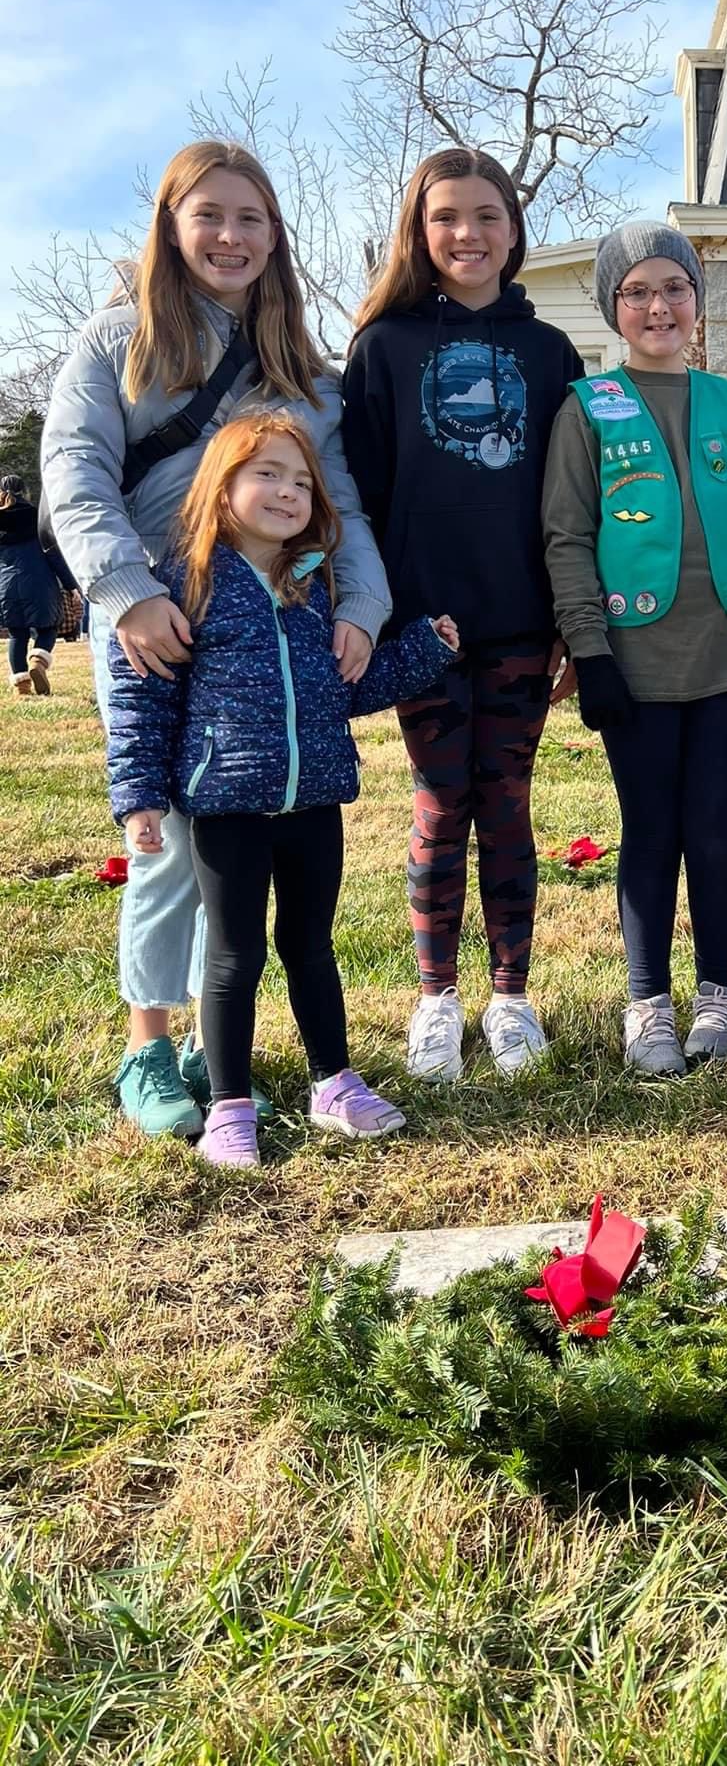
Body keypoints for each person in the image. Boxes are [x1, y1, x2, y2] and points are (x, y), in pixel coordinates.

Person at [41, 141, 391, 1138]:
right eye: (209, 215)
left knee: (231, 851)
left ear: (275, 237)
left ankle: (213, 1044)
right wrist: (125, 591)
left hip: (261, 631)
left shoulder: (304, 378)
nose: (230, 236)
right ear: (170, 223)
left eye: (251, 218)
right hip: (154, 625)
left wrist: (361, 610)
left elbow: (346, 509)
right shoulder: (119, 343)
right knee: (164, 846)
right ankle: (149, 1045)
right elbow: (74, 470)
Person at [106, 415, 457, 1167]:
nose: (288, 491)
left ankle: (333, 1081)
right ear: (221, 485)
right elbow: (144, 702)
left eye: (302, 481)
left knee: (310, 946)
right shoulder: (181, 587)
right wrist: (137, 797)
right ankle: (230, 1105)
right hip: (227, 811)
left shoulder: (312, 591)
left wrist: (425, 649)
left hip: (314, 806)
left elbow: (343, 688)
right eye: (267, 473)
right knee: (234, 956)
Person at [342, 148, 584, 1085]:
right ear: (420, 229)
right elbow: (356, 492)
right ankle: (436, 999)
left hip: (523, 619)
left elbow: (572, 503)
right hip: (422, 629)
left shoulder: (549, 352)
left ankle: (512, 996)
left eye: (487, 216)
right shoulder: (385, 345)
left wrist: (569, 616)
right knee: (443, 804)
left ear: (514, 230)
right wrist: (366, 612)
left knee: (509, 803)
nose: (468, 235)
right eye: (447, 217)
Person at [542, 222, 727, 1074]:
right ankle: (648, 1002)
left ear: (696, 300)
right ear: (615, 307)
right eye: (639, 292)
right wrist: (591, 650)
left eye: (675, 288)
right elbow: (567, 536)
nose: (659, 306)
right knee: (650, 828)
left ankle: (718, 994)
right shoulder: (588, 409)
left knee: (717, 828)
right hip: (635, 658)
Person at [0, 474, 73, 695]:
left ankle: (22, 685)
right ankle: (38, 662)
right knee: (49, 626)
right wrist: (71, 584)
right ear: (25, 491)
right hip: (40, 582)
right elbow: (53, 554)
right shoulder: (38, 517)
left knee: (17, 633)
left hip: (7, 585)